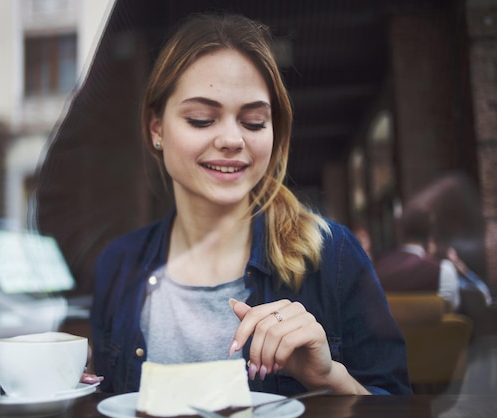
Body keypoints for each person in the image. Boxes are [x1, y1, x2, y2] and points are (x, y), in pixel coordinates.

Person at [90, 13, 411, 396]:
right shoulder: (118, 265)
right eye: (201, 119)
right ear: (157, 128)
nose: (231, 139)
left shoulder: (334, 258)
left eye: (255, 122)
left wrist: (330, 378)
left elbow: (397, 402)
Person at [374, 207, 460, 311]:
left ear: (399, 233)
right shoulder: (443, 270)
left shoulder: (375, 269)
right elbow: (451, 310)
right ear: (430, 235)